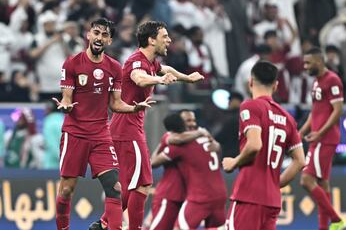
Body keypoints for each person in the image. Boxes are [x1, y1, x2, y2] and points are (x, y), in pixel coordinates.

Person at [90, 21, 204, 230]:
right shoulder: (136, 61)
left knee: (130, 184)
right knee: (142, 183)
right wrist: (159, 81)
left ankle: (104, 223)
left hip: (127, 129)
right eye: (164, 36)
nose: (169, 40)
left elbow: (165, 69)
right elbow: (138, 78)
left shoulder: (151, 62)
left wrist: (186, 78)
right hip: (127, 129)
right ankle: (122, 225)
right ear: (151, 40)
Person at [54, 18, 154, 230]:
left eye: (104, 35)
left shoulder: (115, 68)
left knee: (115, 188)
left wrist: (134, 108)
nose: (99, 37)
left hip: (101, 135)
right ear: (88, 35)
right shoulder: (72, 63)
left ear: (109, 40)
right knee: (66, 190)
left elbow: (116, 104)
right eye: (96, 33)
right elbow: (66, 97)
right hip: (75, 133)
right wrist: (66, 106)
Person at [222, 61, 305, 230]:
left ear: (250, 82)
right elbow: (300, 161)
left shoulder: (250, 106)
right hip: (272, 201)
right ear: (276, 86)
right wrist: (275, 183)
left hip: (249, 195)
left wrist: (234, 162)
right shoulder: (287, 118)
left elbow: (254, 145)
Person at [299, 47, 346, 230]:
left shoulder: (333, 80)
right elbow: (316, 110)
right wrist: (302, 131)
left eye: (308, 63)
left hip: (325, 139)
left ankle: (336, 219)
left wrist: (320, 132)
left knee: (306, 180)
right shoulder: (316, 82)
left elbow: (338, 110)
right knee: (322, 183)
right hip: (317, 138)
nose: (305, 66)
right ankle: (323, 228)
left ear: (319, 61)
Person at [152, 112, 226, 229]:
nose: (192, 124)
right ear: (180, 124)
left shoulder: (189, 142)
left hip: (197, 196)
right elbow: (153, 162)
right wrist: (201, 133)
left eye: (193, 120)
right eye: (188, 121)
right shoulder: (188, 139)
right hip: (172, 195)